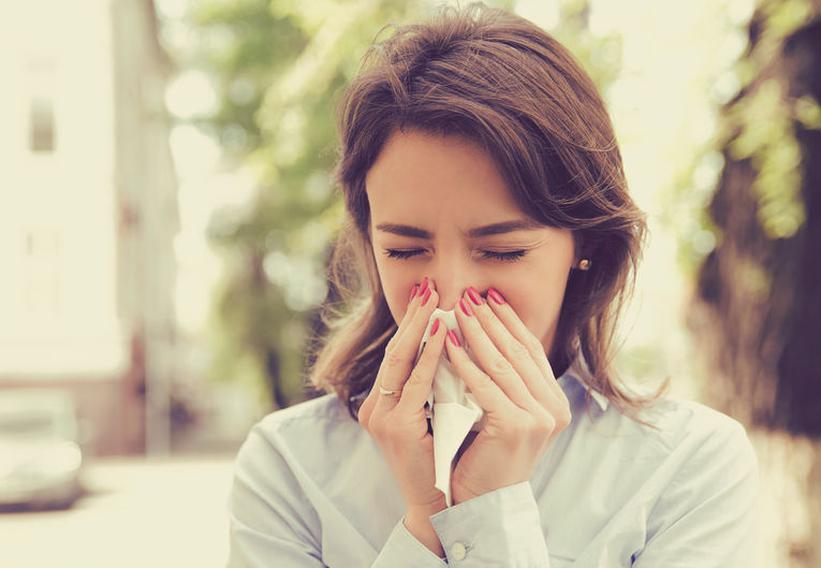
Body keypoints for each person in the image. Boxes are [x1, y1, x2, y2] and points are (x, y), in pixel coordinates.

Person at [226, 3, 760, 567]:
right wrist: (427, 518)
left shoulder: (688, 464)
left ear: (587, 248)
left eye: (502, 251)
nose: (450, 298)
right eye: (405, 250)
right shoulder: (289, 466)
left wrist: (489, 511)